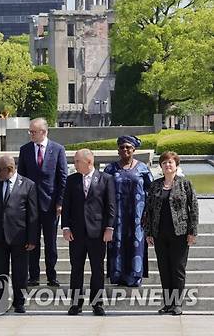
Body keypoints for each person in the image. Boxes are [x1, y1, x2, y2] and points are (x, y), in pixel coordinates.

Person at [144, 151, 199, 315]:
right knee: (164, 269)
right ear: (160, 166)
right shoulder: (155, 185)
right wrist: (149, 232)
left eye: (170, 162)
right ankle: (168, 303)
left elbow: (194, 208)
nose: (167, 165)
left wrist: (192, 232)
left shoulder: (185, 184)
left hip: (180, 234)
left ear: (176, 165)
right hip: (160, 234)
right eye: (164, 163)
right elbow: (149, 210)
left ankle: (177, 304)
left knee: (178, 269)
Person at [61, 149, 115, 316]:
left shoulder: (106, 179)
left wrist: (109, 228)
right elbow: (66, 206)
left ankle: (97, 303)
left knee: (97, 269)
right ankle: (76, 304)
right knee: (76, 268)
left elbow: (111, 206)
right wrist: (65, 227)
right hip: (76, 233)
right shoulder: (71, 180)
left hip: (97, 233)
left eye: (77, 161)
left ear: (89, 162)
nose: (74, 164)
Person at [0, 156, 38, 313]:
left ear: (11, 168)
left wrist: (32, 238)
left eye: (0, 169)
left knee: (20, 271)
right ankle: (0, 302)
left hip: (19, 236)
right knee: (0, 271)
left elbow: (33, 215)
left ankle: (19, 302)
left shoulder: (28, 185)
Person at [17, 117, 68, 287]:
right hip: (30, 204)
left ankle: (51, 275)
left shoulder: (58, 149)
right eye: (30, 131)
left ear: (44, 132)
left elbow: (63, 177)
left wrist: (60, 202)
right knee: (32, 242)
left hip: (51, 204)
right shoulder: (24, 150)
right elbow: (21, 178)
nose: (31, 134)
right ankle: (34, 276)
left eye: (34, 131)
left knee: (50, 242)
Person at [103, 135, 153, 287]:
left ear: (134, 150)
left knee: (136, 245)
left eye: (128, 147)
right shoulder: (110, 169)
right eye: (122, 147)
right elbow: (103, 193)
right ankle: (118, 276)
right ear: (118, 150)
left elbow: (151, 192)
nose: (125, 150)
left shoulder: (143, 168)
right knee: (117, 245)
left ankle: (134, 277)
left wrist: (148, 214)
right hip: (116, 217)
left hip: (137, 217)